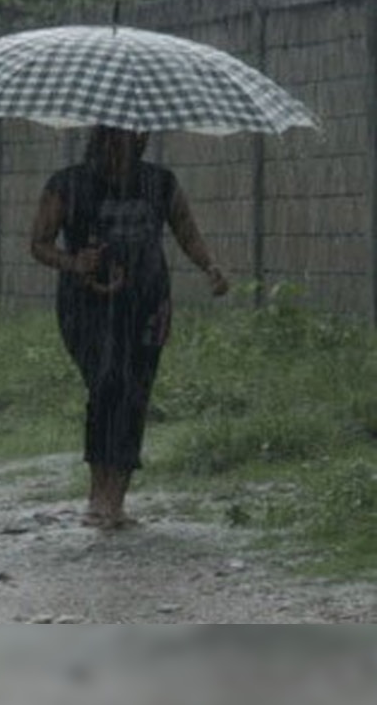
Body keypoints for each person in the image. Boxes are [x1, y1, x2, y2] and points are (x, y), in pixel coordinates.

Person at [29, 125, 230, 530]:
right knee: (106, 382)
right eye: (114, 135)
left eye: (133, 135)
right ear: (98, 137)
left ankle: (114, 500)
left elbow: (185, 230)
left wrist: (209, 266)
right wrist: (74, 262)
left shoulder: (160, 182)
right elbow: (39, 242)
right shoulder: (68, 184)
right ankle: (97, 492)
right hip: (84, 306)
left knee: (134, 390)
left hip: (147, 304)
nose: (123, 143)